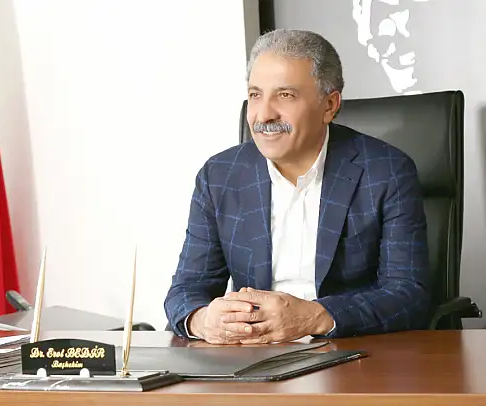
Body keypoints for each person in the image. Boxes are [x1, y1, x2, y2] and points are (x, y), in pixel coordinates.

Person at [163, 29, 430, 344]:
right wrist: (203, 320)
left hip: (349, 352)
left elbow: (408, 295)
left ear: (329, 105)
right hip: (252, 356)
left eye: (285, 95)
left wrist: (314, 317)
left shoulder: (386, 171)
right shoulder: (220, 175)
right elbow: (186, 290)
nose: (263, 115)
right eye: (255, 94)